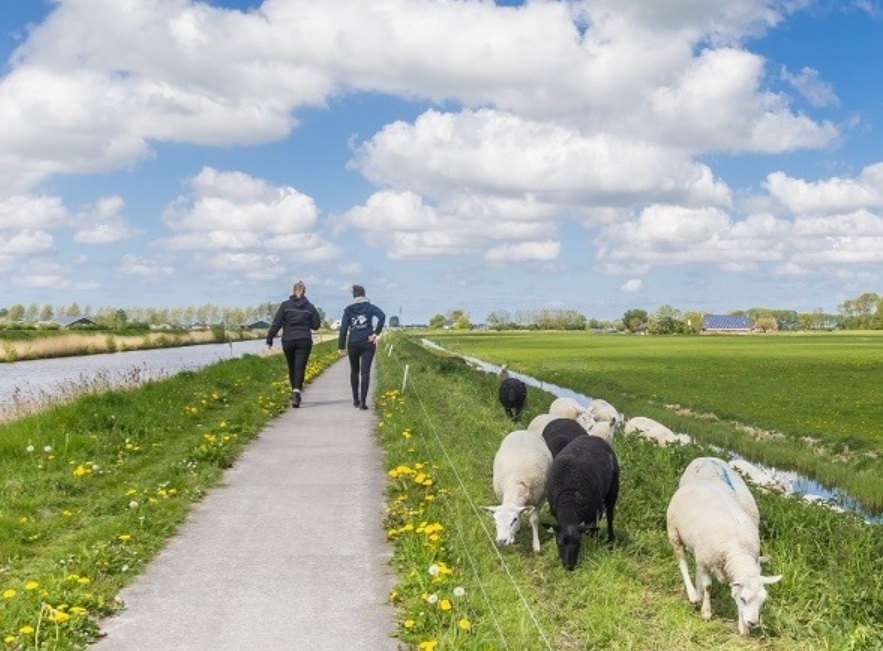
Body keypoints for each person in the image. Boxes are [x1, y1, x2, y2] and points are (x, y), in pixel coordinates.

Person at [266, 280, 322, 408]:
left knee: (292, 367)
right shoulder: (310, 307)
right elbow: (316, 325)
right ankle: (297, 392)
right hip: (304, 340)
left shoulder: (285, 306)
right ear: (305, 291)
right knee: (300, 367)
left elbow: (277, 323)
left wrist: (269, 339)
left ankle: (295, 392)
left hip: (288, 340)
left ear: (293, 290)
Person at [337, 284, 386, 410]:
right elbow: (382, 316)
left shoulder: (348, 310)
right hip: (367, 342)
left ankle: (355, 399)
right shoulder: (370, 307)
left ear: (353, 295)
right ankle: (363, 402)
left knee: (354, 371)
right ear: (364, 294)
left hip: (353, 342)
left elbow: (343, 329)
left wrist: (341, 346)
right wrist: (376, 333)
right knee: (365, 372)